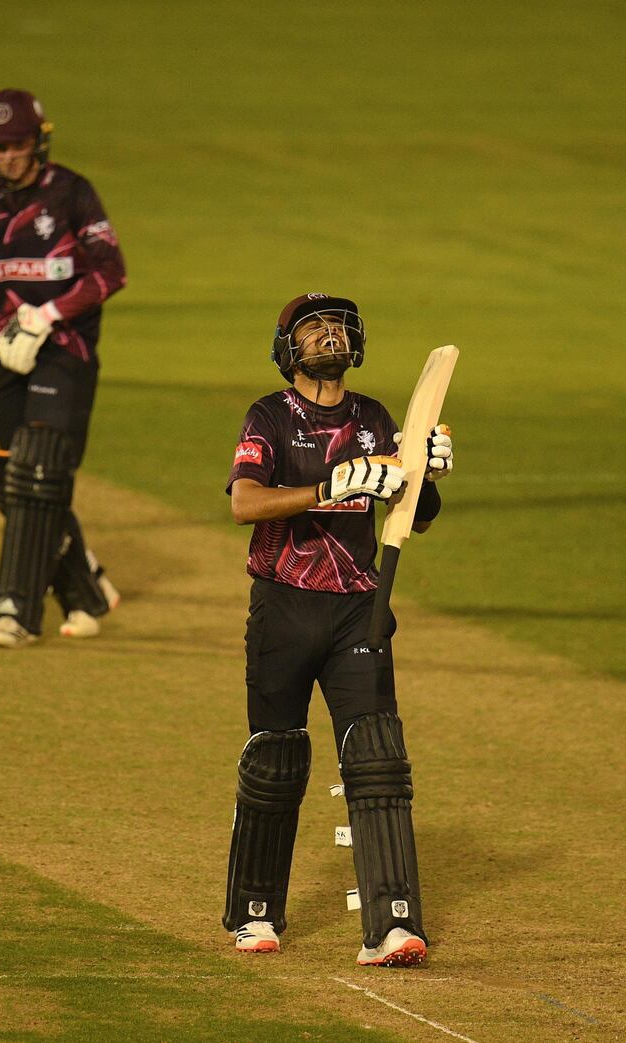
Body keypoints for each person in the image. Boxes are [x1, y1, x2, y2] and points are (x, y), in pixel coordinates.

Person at [222, 292, 454, 966]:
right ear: (288, 346)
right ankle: (255, 912)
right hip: (283, 605)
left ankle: (393, 923)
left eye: (339, 327)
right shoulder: (269, 415)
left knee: (378, 759)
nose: (330, 335)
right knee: (275, 758)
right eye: (314, 328)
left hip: (359, 605)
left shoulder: (376, 418)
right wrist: (327, 486)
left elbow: (418, 512)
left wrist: (427, 472)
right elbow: (245, 502)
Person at [0, 88, 126, 647]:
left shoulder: (71, 193)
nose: (8, 157)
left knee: (36, 471)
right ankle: (86, 591)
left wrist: (46, 315)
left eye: (17, 145)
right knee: (15, 480)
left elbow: (111, 272)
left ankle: (15, 611)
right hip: (5, 362)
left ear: (37, 142)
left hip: (67, 354)